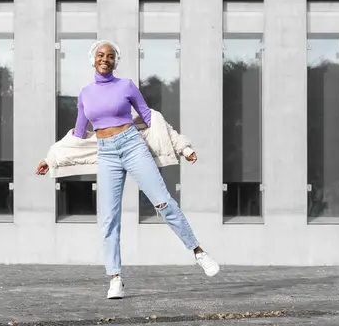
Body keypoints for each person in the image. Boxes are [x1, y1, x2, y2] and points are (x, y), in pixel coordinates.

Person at [36, 40, 219, 299]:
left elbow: (153, 120)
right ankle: (115, 279)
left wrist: (182, 146)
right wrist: (51, 157)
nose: (105, 59)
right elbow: (78, 136)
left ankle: (198, 252)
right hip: (106, 153)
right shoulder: (85, 93)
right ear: (93, 59)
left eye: (110, 56)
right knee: (109, 219)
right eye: (101, 55)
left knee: (163, 202)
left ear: (115, 61)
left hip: (132, 146)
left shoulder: (126, 86)